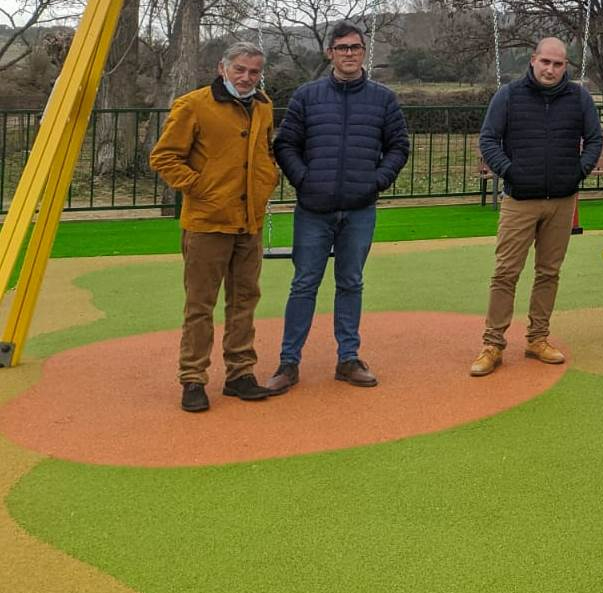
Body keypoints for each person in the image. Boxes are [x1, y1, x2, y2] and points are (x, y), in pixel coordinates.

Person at [266, 21, 410, 393]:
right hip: (314, 208)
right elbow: (285, 145)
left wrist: (376, 181)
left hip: (360, 208)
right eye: (342, 47)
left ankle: (348, 358)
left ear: (364, 53)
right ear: (330, 52)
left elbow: (398, 146)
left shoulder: (383, 99)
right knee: (304, 284)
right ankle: (288, 362)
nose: (349, 53)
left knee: (351, 282)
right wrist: (305, 179)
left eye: (356, 48)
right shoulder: (307, 96)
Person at [149, 42, 279, 413]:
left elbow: (265, 152)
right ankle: (193, 377)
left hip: (249, 221)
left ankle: (240, 373)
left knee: (244, 300)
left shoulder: (263, 106)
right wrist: (200, 187)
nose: (246, 77)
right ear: (223, 68)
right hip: (207, 222)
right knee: (200, 305)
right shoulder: (193, 104)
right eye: (240, 69)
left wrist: (267, 178)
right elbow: (164, 156)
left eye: (254, 71)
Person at [468, 37, 603, 376]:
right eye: (545, 62)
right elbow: (488, 138)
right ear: (533, 60)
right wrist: (511, 171)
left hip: (561, 199)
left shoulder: (579, 97)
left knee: (548, 272)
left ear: (566, 66)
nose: (551, 69)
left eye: (558, 64)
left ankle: (537, 338)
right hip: (519, 201)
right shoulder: (509, 95)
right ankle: (493, 343)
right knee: (506, 272)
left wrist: (579, 170)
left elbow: (595, 139)